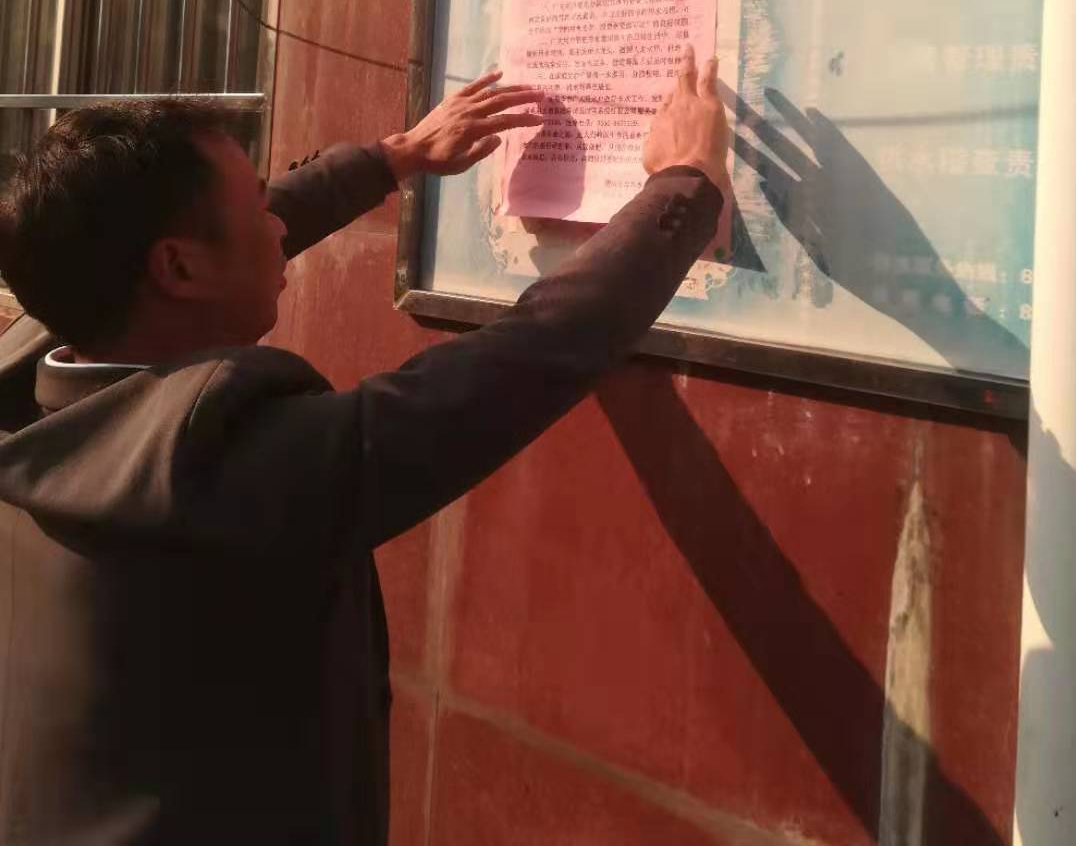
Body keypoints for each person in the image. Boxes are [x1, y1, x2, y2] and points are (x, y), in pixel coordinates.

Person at [0, 45, 728, 846]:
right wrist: (684, 184)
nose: (279, 225)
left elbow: (204, 236)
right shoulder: (221, 472)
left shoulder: (38, 367)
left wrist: (394, 158)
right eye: (258, 208)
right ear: (177, 268)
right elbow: (523, 361)